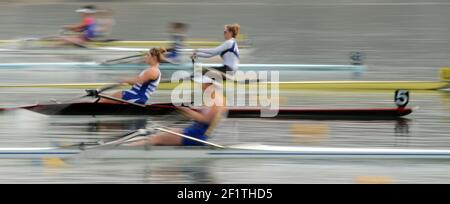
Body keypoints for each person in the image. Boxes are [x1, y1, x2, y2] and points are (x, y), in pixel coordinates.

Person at [126, 76, 226, 146]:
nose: (200, 86)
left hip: (197, 136)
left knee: (155, 139)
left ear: (209, 85)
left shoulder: (217, 101)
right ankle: (129, 147)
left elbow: (206, 120)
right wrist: (185, 109)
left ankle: (124, 150)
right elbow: (202, 117)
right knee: (158, 136)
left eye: (203, 84)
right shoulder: (211, 97)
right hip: (193, 131)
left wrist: (185, 110)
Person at [98, 48, 166, 105]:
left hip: (136, 96)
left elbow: (139, 80)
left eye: (148, 55)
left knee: (104, 101)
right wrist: (127, 82)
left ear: (154, 57)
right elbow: (138, 82)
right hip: (134, 94)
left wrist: (123, 80)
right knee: (105, 97)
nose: (145, 57)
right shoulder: (151, 70)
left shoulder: (153, 71)